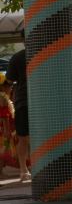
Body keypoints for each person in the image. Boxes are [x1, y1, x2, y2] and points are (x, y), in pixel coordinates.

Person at [6, 31, 30, 182]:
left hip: (23, 101)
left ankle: (23, 170)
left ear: (23, 40)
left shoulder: (17, 57)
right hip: (43, 103)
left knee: (23, 139)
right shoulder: (47, 54)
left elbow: (9, 80)